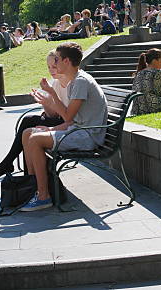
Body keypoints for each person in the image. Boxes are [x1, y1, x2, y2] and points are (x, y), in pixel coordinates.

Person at [18, 42, 108, 212]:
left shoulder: (81, 81)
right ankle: (32, 187)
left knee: (35, 140)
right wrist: (51, 129)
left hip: (88, 137)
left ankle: (43, 196)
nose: (54, 63)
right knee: (28, 133)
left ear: (66, 61)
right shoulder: (76, 80)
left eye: (57, 60)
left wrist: (51, 94)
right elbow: (69, 121)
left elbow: (68, 116)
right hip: (77, 131)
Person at [0, 50, 71, 178]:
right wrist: (43, 102)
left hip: (69, 124)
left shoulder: (70, 83)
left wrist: (50, 99)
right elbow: (53, 115)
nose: (51, 70)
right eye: (48, 67)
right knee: (28, 122)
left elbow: (67, 116)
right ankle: (21, 172)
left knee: (28, 122)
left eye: (54, 66)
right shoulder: (56, 83)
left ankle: (10, 164)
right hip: (62, 121)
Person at [131, 48, 161, 115]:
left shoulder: (139, 73)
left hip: (139, 110)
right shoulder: (158, 73)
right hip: (155, 108)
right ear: (154, 61)